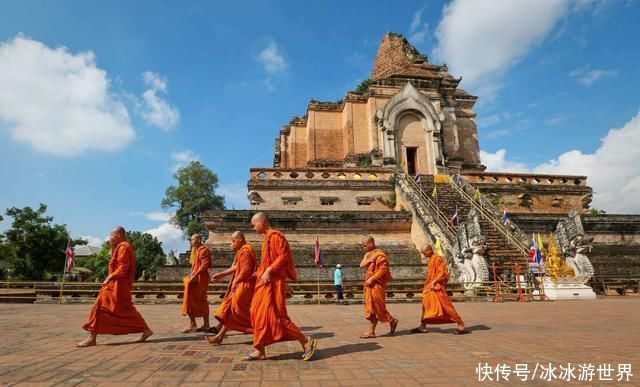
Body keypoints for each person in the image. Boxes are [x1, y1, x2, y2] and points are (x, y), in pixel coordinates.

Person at [243, 212, 318, 361]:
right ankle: (259, 349)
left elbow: (283, 257)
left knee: (277, 316)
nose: (253, 228)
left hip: (272, 284)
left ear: (262, 221)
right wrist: (257, 274)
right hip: (265, 283)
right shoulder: (266, 240)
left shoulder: (276, 236)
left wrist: (269, 271)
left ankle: (305, 341)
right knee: (256, 313)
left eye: (254, 225)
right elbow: (265, 263)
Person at [77, 227, 153, 347]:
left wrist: (109, 277)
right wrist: (112, 246)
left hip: (118, 284)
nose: (110, 237)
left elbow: (123, 268)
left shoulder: (124, 247)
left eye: (111, 235)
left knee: (102, 307)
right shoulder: (120, 247)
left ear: (118, 235)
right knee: (120, 308)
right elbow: (114, 261)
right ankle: (145, 330)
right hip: (117, 284)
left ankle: (92, 338)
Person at [205, 231, 256, 345]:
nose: (231, 244)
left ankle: (262, 332)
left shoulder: (246, 250)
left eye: (233, 241)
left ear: (239, 240)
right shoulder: (241, 252)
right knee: (230, 311)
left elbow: (246, 270)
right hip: (240, 284)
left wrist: (236, 281)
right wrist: (222, 274)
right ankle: (219, 336)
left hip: (244, 286)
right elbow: (238, 266)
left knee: (234, 312)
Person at [413, 244, 467, 334]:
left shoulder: (437, 258)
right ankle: (422, 326)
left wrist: (435, 281)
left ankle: (461, 324)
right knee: (426, 305)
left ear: (429, 250)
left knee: (446, 306)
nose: (424, 255)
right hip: (430, 287)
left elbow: (442, 272)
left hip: (437, 286)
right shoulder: (431, 259)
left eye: (424, 253)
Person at [359, 236, 398, 339]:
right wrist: (369, 260)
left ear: (371, 243)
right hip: (369, 285)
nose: (364, 247)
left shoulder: (380, 255)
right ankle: (372, 331)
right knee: (371, 307)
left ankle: (391, 320)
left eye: (365, 245)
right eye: (363, 246)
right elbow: (361, 264)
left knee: (378, 307)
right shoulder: (368, 254)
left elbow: (383, 270)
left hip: (376, 284)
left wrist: (372, 279)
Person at [181, 234, 212, 333]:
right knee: (189, 299)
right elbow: (194, 266)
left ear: (199, 240)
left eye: (193, 239)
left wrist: (194, 275)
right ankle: (192, 323)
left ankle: (206, 324)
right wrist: (191, 275)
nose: (191, 241)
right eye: (191, 239)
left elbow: (204, 265)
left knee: (202, 299)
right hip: (195, 277)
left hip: (201, 278)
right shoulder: (195, 250)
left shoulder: (204, 250)